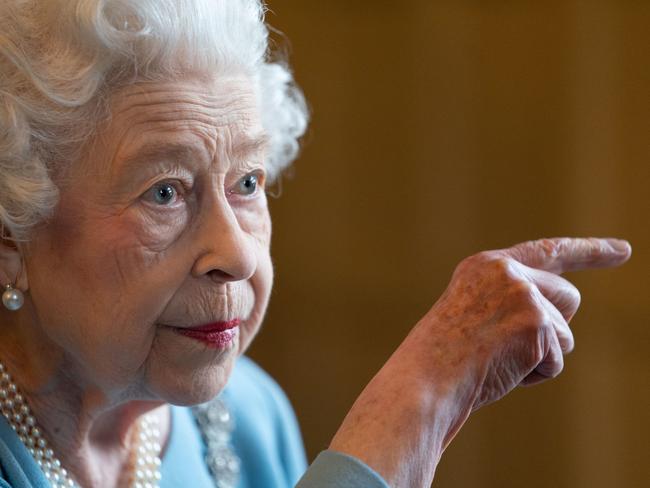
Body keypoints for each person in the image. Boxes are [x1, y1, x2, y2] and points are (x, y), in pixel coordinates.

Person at [0, 1, 631, 487]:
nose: (239, 254)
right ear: (10, 233)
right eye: (164, 192)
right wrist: (412, 405)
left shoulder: (248, 414)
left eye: (247, 181)